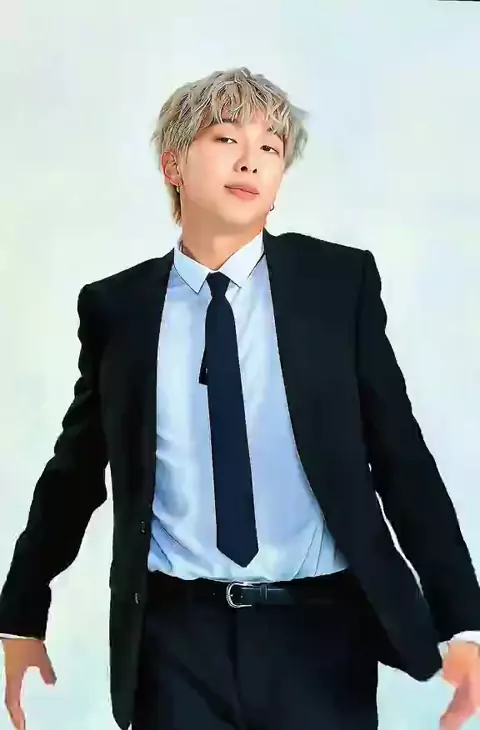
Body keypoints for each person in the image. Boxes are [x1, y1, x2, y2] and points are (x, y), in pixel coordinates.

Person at [0, 66, 479, 730]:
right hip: (174, 640)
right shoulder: (119, 308)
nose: (251, 159)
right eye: (226, 139)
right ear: (174, 164)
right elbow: (75, 472)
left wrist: (464, 621)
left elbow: (401, 458)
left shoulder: (336, 286)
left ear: (279, 183)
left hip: (321, 635)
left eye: (271, 148)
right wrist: (21, 614)